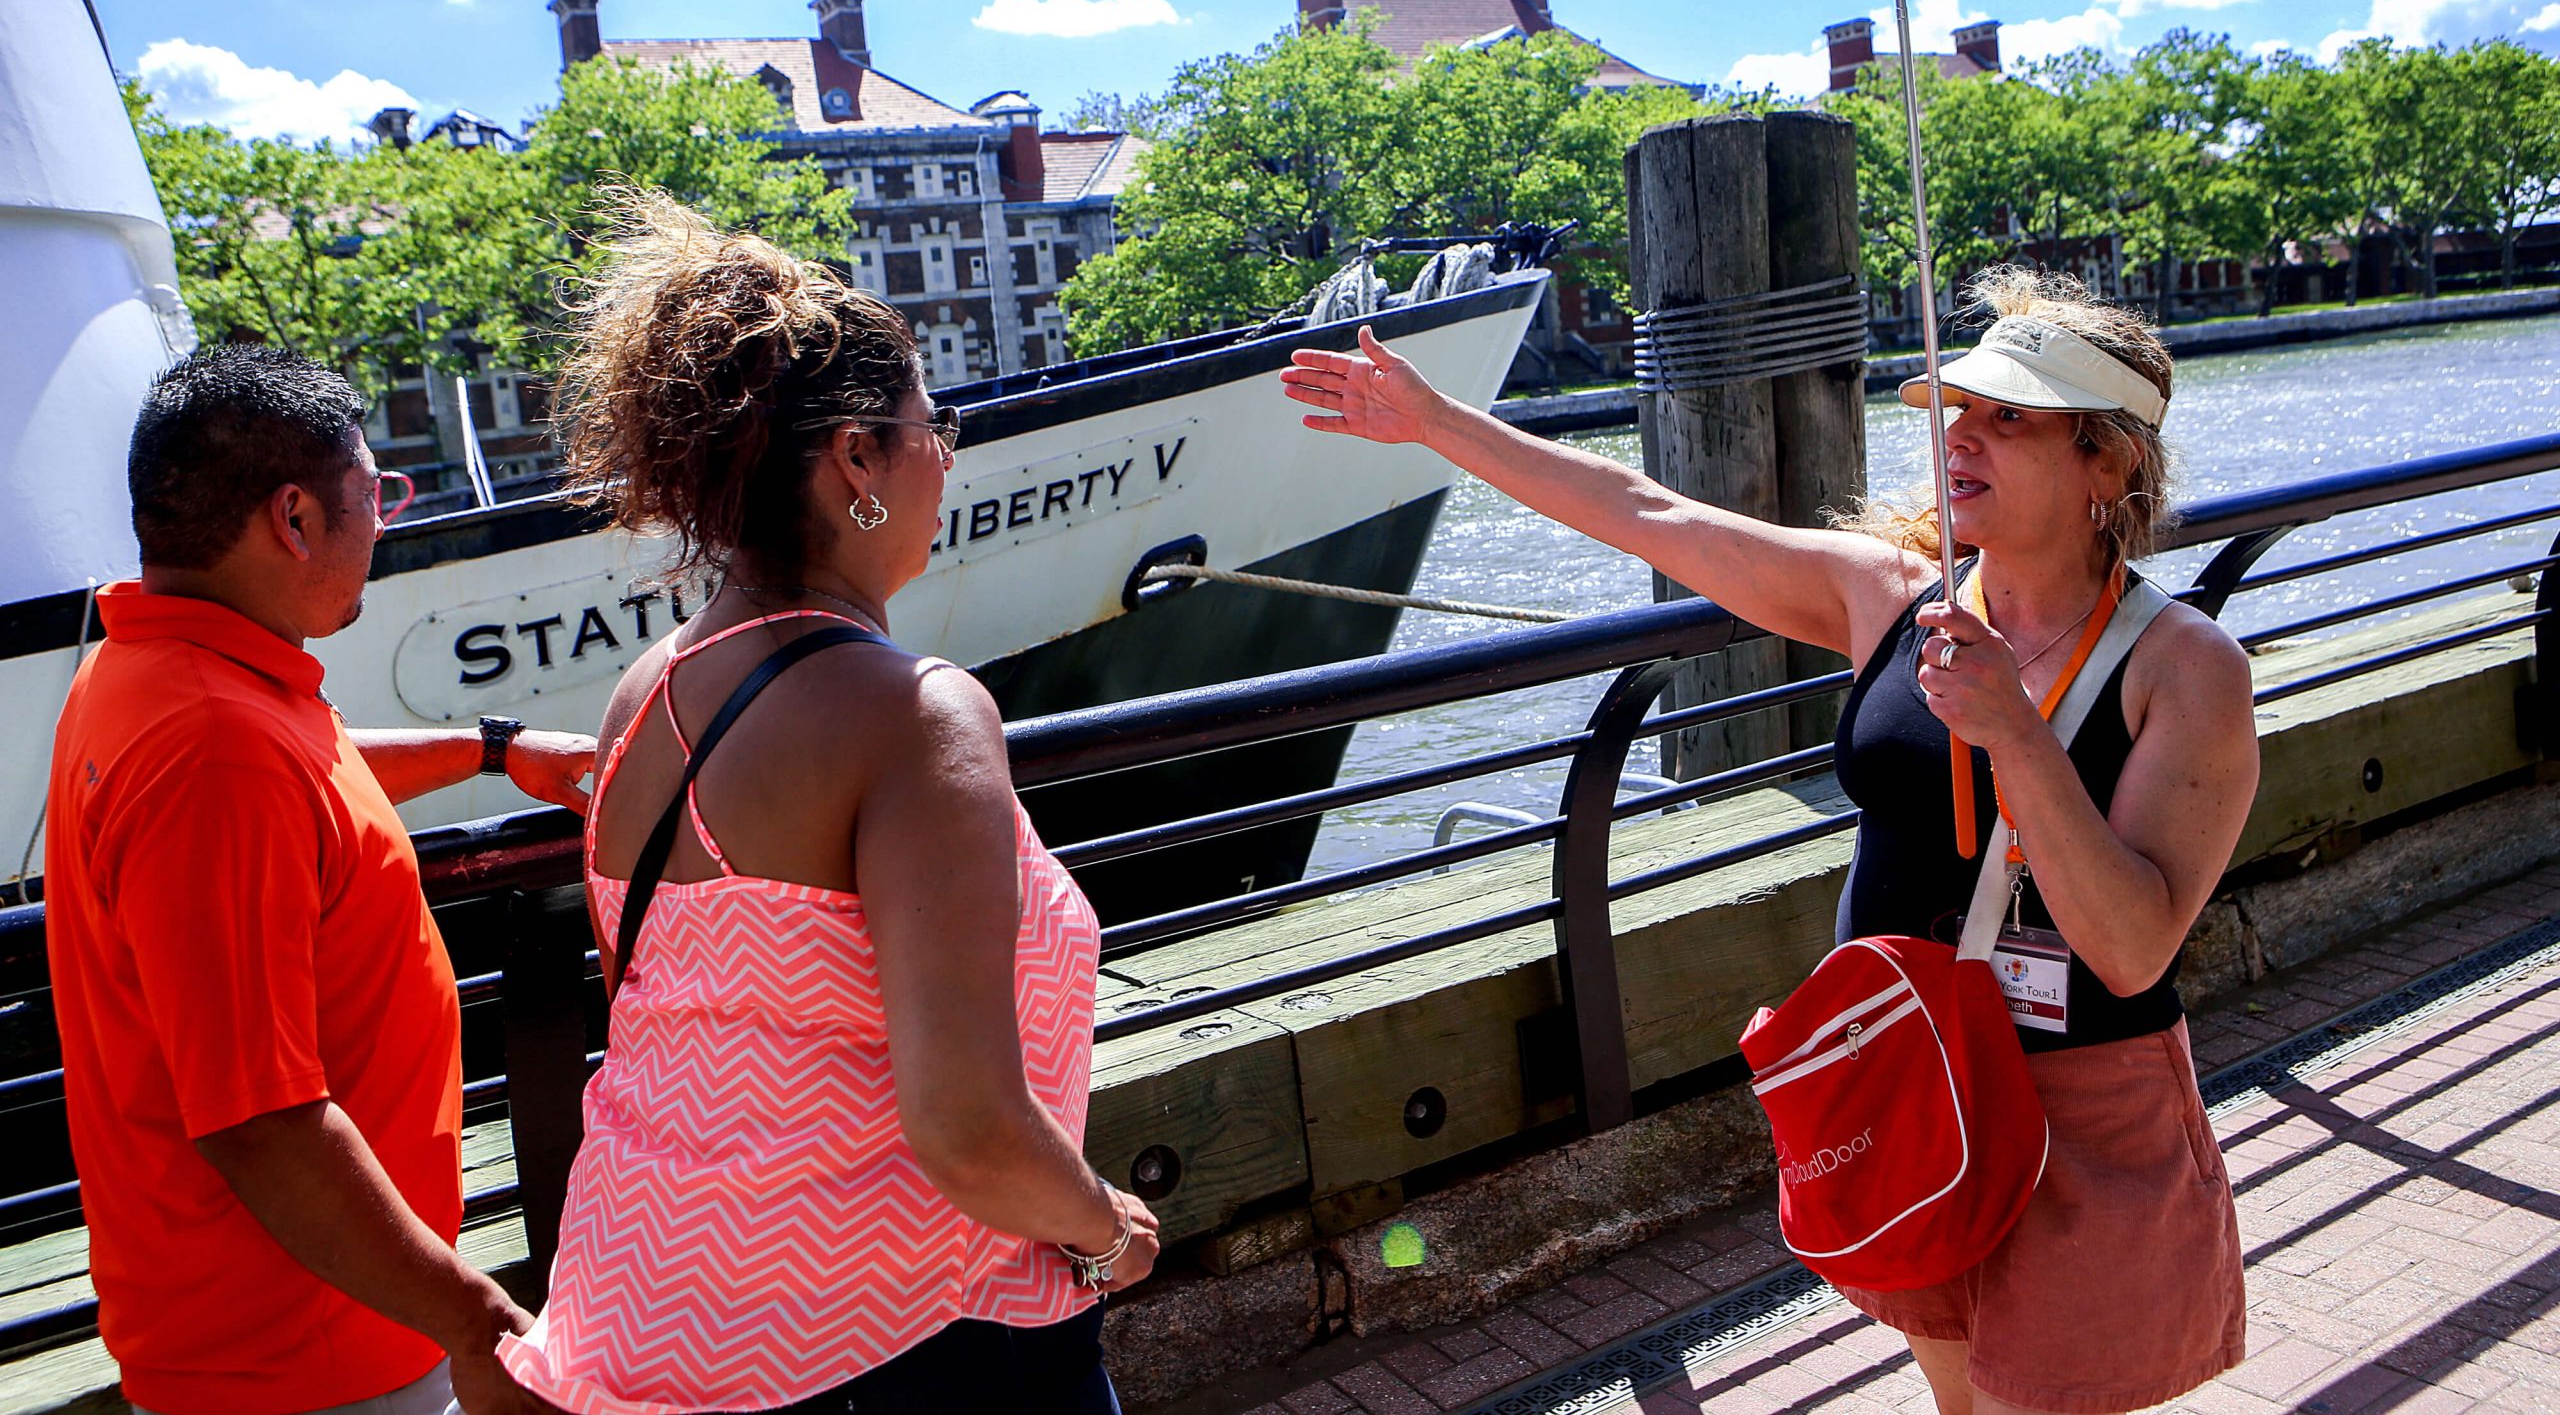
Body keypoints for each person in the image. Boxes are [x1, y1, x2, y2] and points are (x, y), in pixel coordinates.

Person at [1283, 268, 2257, 1415]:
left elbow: (2134, 948)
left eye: (2010, 420)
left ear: (2111, 463)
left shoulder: (2185, 668)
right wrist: (1437, 424)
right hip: (1911, 1079)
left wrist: (2017, 740)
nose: (1961, 440)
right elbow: (1653, 515)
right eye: (1957, 410)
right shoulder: (1890, 598)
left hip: (2078, 1108)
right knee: (1957, 1391)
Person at [497, 190, 1156, 1415]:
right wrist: (1107, 1237)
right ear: (857, 457)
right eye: (930, 424)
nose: (946, 456)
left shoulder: (644, 694)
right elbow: (965, 1126)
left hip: (645, 1313)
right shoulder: (914, 712)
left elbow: (684, 1013)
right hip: (888, 1339)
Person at [45, 345, 597, 1415]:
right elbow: (262, 1123)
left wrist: (492, 748)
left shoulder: (142, 674)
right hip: (305, 1359)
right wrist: (477, 1321)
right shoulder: (213, 747)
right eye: (373, 490)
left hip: (273, 1327)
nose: (384, 518)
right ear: (294, 518)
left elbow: (313, 767)